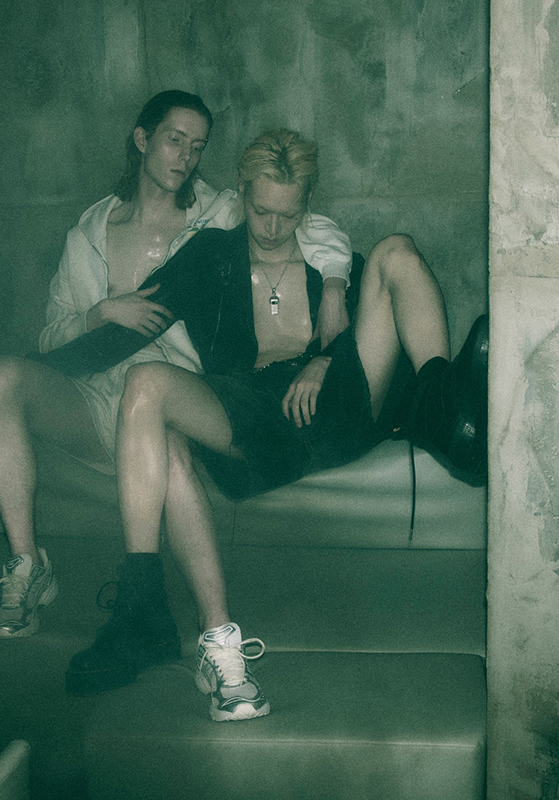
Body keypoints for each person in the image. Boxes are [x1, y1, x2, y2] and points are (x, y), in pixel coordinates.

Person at [39, 129, 488, 720]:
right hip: (255, 420)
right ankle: (156, 616)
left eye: (289, 214)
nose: (273, 227)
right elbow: (126, 333)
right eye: (260, 211)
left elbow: (377, 334)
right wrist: (41, 371)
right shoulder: (208, 257)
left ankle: (442, 407)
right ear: (241, 193)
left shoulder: (334, 265)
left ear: (307, 205)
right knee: (144, 384)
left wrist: (326, 358)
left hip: (342, 408)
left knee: (397, 251)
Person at [0, 93, 355, 643]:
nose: (186, 157)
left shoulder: (221, 212)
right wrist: (100, 312)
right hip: (94, 397)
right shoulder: (90, 231)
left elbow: (306, 222)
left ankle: (199, 626)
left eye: (197, 147)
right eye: (175, 140)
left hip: (178, 398)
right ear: (142, 139)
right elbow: (52, 335)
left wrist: (336, 286)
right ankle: (27, 566)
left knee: (152, 395)